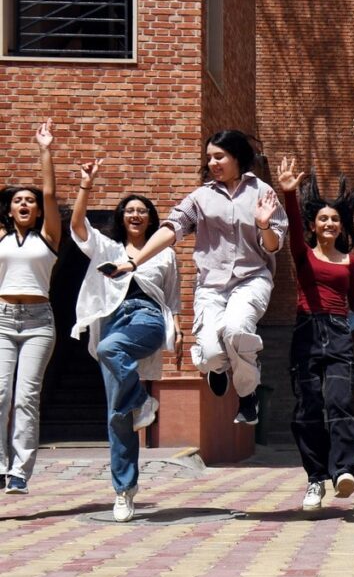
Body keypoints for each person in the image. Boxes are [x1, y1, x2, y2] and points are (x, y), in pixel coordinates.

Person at [105, 129, 287, 426]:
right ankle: (217, 368)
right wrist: (134, 261)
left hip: (252, 278)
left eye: (219, 157)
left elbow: (273, 245)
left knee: (236, 329)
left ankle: (247, 394)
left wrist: (264, 225)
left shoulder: (262, 192)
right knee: (211, 353)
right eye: (209, 158)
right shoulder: (201, 197)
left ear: (237, 157)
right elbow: (171, 228)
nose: (213, 163)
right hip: (211, 284)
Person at [70, 159, 182, 521]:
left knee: (109, 349)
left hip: (147, 318)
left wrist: (178, 326)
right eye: (130, 210)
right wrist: (86, 185)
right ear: (122, 217)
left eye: (142, 210)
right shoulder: (107, 248)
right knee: (118, 415)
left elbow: (172, 295)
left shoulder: (164, 252)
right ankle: (124, 491)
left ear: (150, 218)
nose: (136, 214)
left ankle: (141, 399)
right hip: (113, 320)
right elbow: (78, 227)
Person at [277, 158, 354, 510]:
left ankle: (344, 470)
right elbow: (292, 227)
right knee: (307, 409)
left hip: (338, 334)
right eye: (323, 218)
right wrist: (288, 194)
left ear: (341, 225)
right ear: (313, 225)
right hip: (307, 331)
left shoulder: (350, 261)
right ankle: (315, 478)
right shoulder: (303, 255)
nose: (329, 223)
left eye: (334, 219)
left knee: (338, 402)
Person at [0, 120, 60, 495]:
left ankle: (19, 472)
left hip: (39, 323)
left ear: (37, 211)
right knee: (0, 395)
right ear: (9, 210)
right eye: (18, 200)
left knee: (25, 398)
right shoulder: (2, 237)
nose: (25, 204)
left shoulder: (48, 237)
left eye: (30, 201)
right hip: (2, 320)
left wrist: (44, 150)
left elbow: (51, 193)